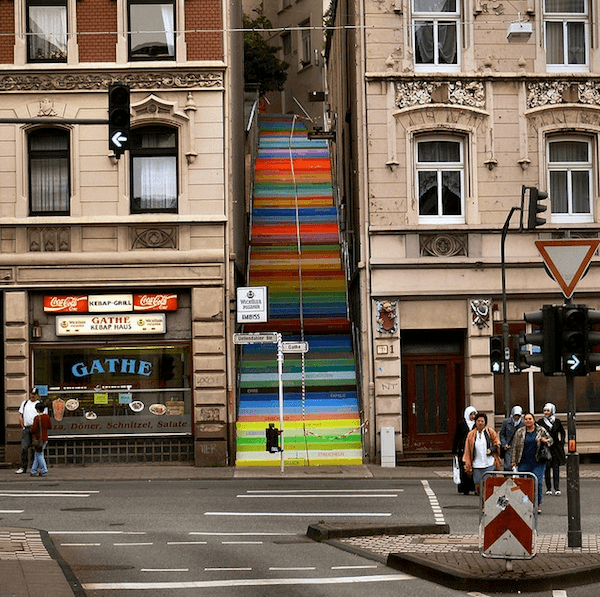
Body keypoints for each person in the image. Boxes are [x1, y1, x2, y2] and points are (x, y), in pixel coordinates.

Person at [511, 412, 553, 514]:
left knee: (537, 482)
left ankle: (537, 504)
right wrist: (513, 461)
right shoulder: (520, 432)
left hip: (537, 462)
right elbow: (515, 447)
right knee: (523, 484)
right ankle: (525, 503)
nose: (528, 421)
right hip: (523, 462)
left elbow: (551, 440)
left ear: (534, 420)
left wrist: (545, 441)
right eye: (526, 419)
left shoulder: (540, 430)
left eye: (530, 419)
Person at [463, 412, 502, 495]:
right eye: (478, 421)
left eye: (482, 421)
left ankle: (488, 502)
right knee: (478, 484)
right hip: (476, 463)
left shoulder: (490, 432)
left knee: (489, 484)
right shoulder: (471, 435)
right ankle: (482, 500)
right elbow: (467, 450)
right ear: (475, 422)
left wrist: (491, 450)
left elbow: (497, 444)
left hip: (489, 463)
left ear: (485, 423)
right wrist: (467, 462)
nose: (480, 423)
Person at [537, 403, 566, 496]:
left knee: (556, 467)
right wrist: (541, 441)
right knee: (547, 468)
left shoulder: (557, 421)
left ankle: (556, 487)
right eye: (544, 410)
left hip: (555, 448)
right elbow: (537, 433)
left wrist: (562, 442)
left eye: (548, 410)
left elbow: (562, 432)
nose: (546, 412)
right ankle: (548, 488)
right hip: (545, 447)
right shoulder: (540, 422)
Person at [451, 406, 477, 495]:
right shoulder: (461, 424)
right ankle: (464, 488)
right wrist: (454, 449)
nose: (473, 416)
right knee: (464, 469)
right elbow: (456, 437)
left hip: (474, 449)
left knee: (474, 468)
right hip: (463, 449)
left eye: (474, 414)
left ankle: (474, 487)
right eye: (471, 414)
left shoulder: (477, 424)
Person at [16, 387, 41, 474]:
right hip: (27, 428)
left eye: (34, 394)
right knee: (24, 448)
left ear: (37, 395)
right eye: (31, 394)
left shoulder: (39, 404)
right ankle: (23, 467)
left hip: (36, 429)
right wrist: (22, 426)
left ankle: (33, 467)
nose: (32, 396)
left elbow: (42, 416)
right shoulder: (25, 403)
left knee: (35, 448)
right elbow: (20, 415)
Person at [30, 402, 52, 477]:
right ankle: (33, 470)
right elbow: (50, 426)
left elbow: (34, 429)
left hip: (38, 438)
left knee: (39, 454)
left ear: (37, 409)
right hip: (45, 438)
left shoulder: (37, 418)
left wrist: (31, 430)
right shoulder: (47, 417)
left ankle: (44, 470)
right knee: (38, 454)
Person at [499, 405, 525, 471]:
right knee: (508, 466)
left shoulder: (523, 424)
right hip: (509, 448)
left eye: (518, 415)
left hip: (519, 448)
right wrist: (504, 444)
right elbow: (502, 434)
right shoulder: (506, 422)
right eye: (515, 415)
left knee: (518, 466)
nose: (517, 417)